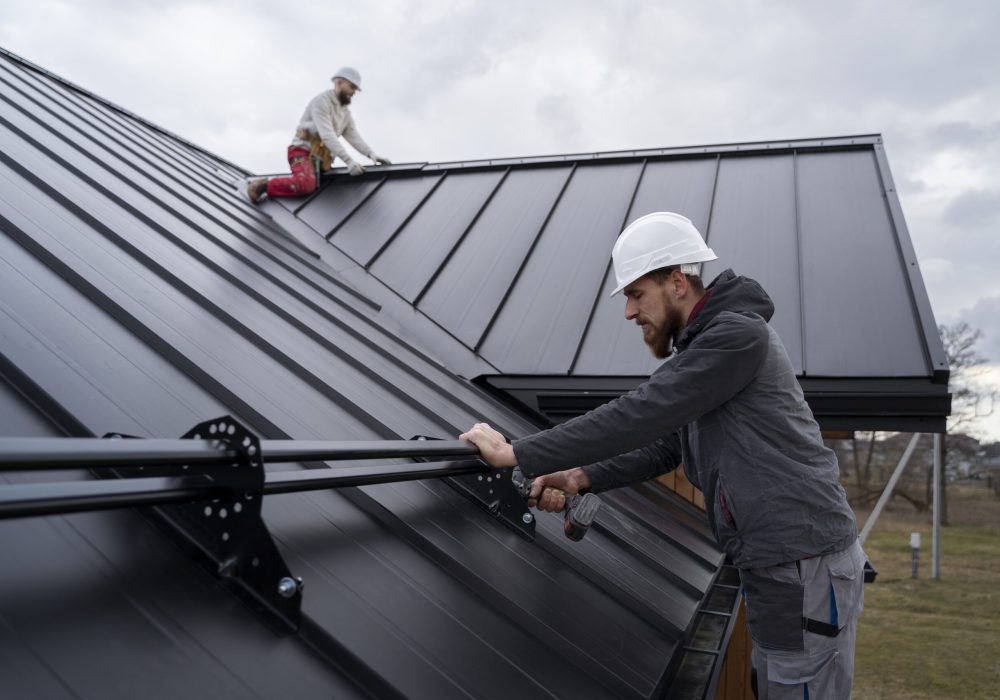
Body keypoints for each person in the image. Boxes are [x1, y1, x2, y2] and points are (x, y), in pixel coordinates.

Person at [460, 211, 865, 699]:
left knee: (796, 686)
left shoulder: (737, 337)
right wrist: (579, 476)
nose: (629, 313)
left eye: (635, 294)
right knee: (777, 681)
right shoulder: (709, 348)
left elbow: (643, 412)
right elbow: (667, 444)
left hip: (805, 564)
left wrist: (515, 453)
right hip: (782, 563)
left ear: (677, 282)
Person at [242, 66, 391, 204]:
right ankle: (262, 186)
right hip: (301, 153)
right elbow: (327, 135)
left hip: (321, 160)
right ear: (339, 83)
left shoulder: (345, 113)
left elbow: (353, 135)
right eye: (352, 87)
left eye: (356, 89)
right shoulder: (321, 102)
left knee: (332, 185)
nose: (354, 92)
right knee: (306, 184)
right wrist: (348, 161)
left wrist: (371, 154)